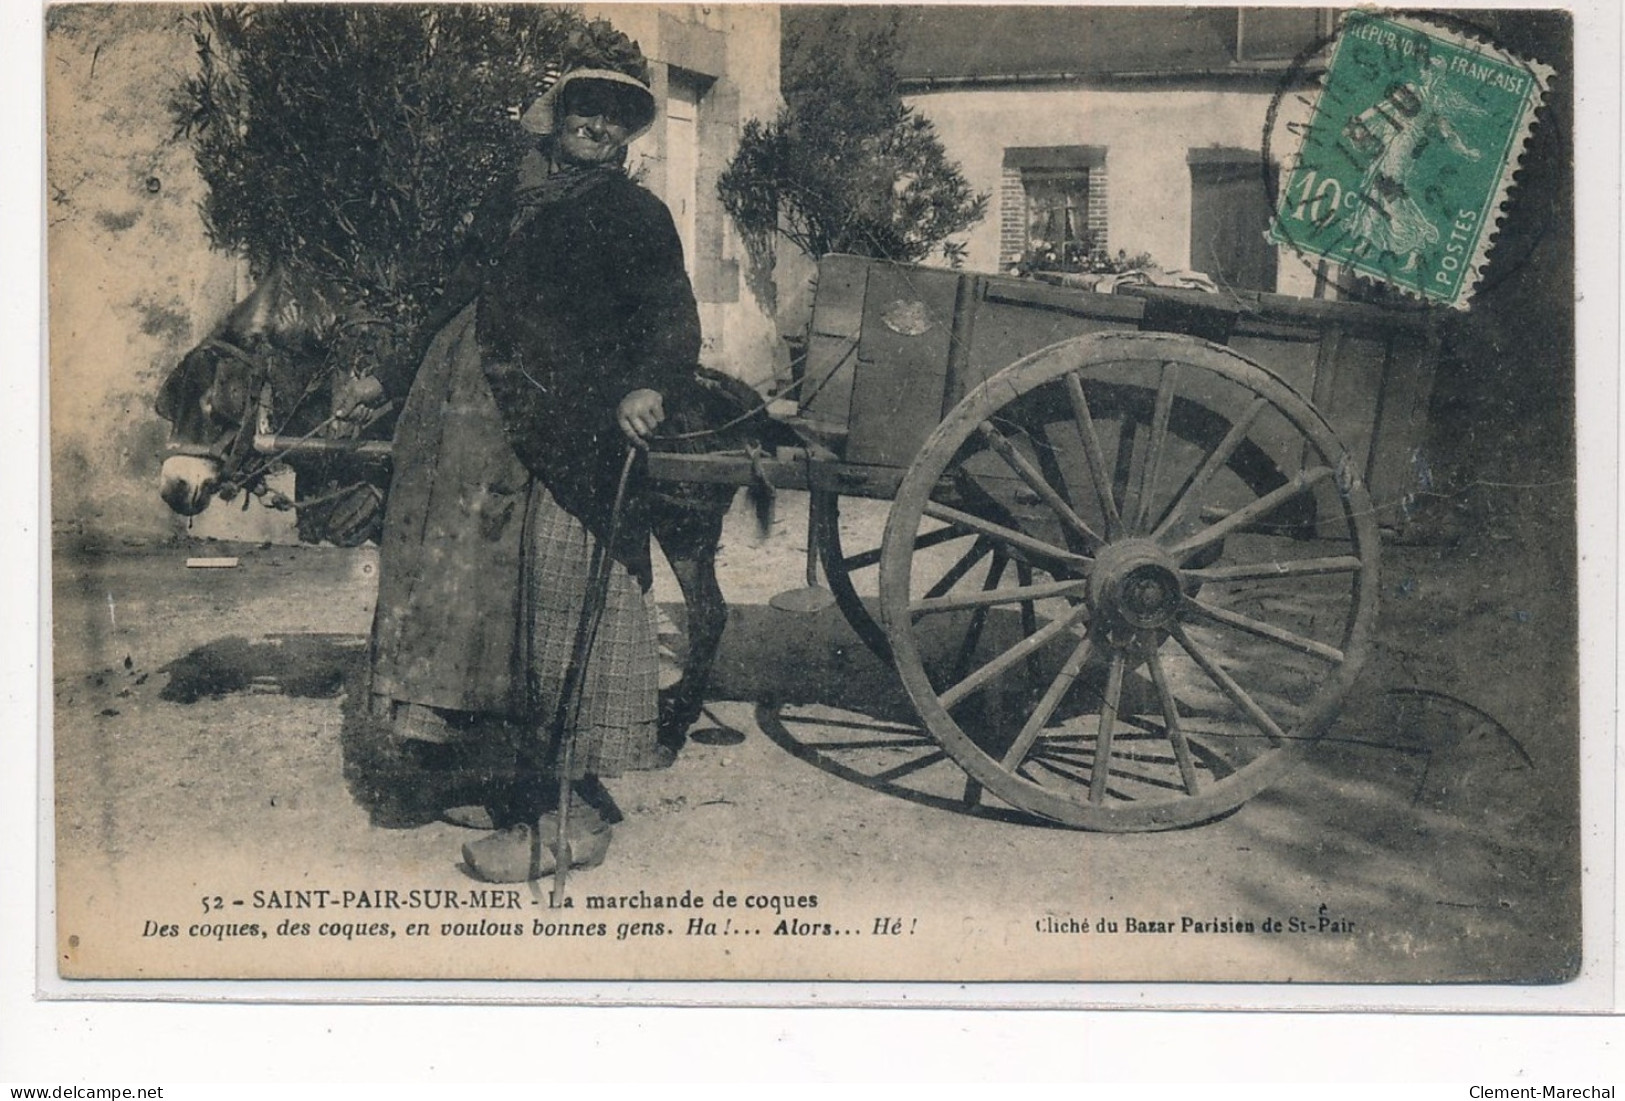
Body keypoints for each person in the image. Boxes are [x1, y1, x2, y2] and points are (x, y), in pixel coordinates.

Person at [360, 46, 700, 884]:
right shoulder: (514, 197)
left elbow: (668, 313)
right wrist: (398, 369)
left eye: (617, 118)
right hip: (479, 425)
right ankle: (513, 778)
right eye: (587, 109)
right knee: (483, 599)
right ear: (559, 114)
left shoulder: (635, 215)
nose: (599, 125)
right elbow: (459, 291)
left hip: (573, 426)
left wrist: (648, 384)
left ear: (628, 135)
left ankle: (570, 810)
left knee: (560, 592)